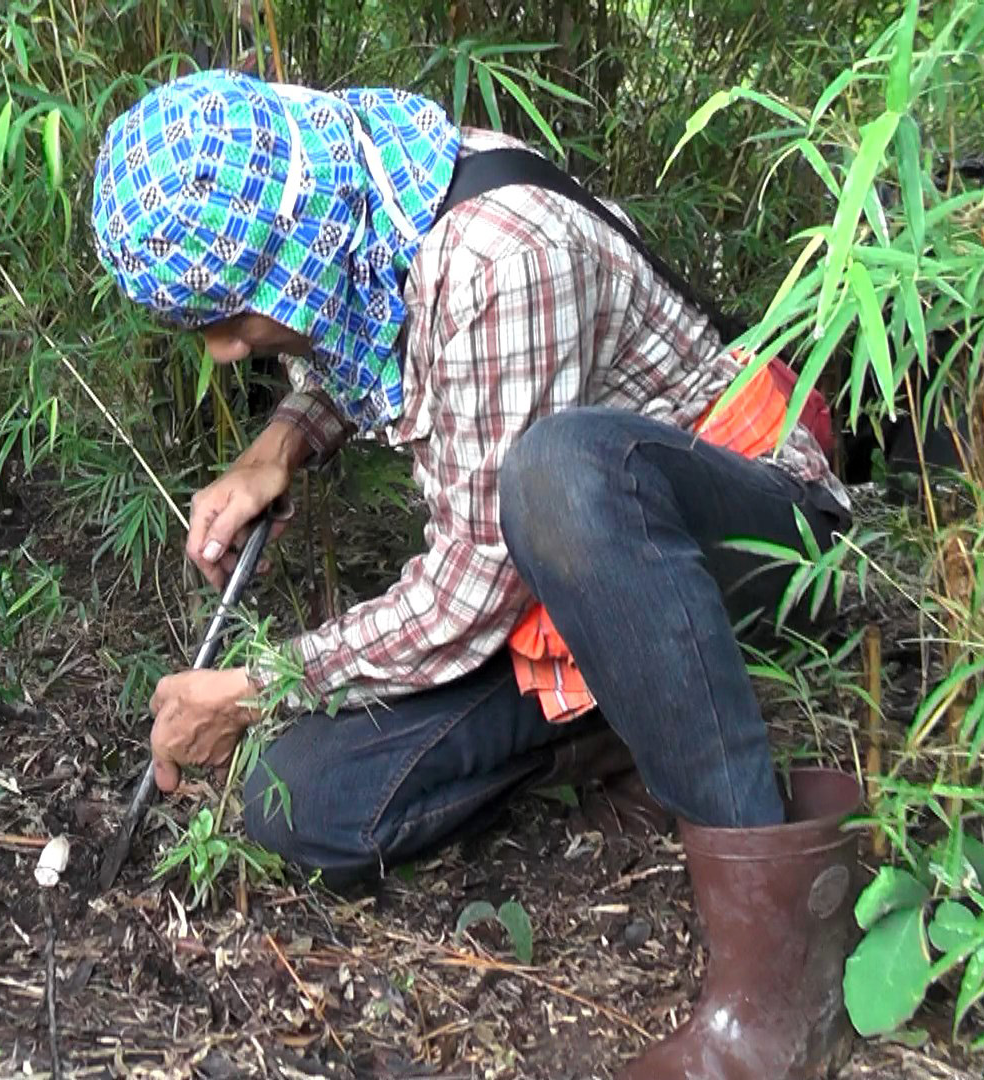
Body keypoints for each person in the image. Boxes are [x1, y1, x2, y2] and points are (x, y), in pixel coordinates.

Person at [90, 70, 863, 1079]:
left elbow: (469, 590)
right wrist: (282, 439)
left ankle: (779, 980)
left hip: (746, 545)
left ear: (294, 244)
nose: (229, 352)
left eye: (233, 317)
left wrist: (254, 688)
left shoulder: (503, 255)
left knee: (563, 475)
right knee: (300, 799)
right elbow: (383, 342)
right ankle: (616, 728)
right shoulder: (362, 206)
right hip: (574, 593)